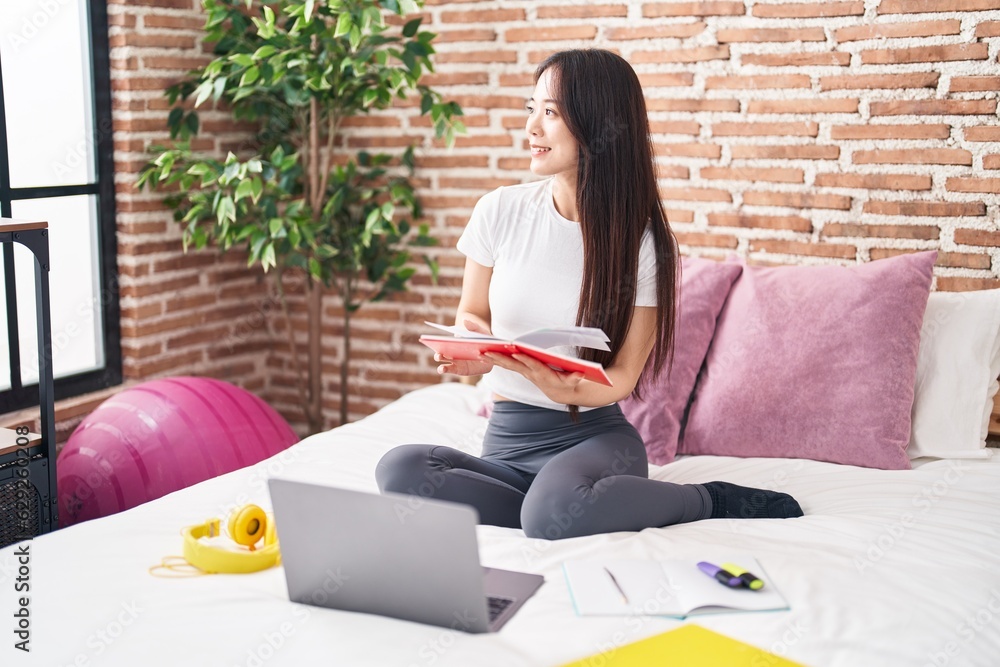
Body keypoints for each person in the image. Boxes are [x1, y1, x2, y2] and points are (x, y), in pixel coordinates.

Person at [376, 49, 803, 540]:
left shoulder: (643, 243)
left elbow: (622, 375)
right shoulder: (499, 211)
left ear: (598, 123)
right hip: (507, 443)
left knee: (549, 511)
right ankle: (564, 505)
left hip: (595, 440)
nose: (532, 127)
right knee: (401, 469)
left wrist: (569, 391)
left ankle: (708, 498)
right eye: (530, 108)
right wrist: (474, 350)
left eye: (551, 112)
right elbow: (472, 314)